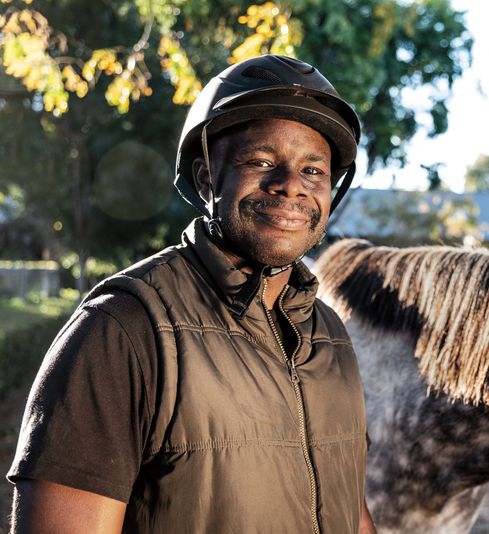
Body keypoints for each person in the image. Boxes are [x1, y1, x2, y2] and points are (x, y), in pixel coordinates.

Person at [7, 54, 376, 533]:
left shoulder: (330, 334)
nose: (291, 186)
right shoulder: (123, 329)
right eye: (261, 161)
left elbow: (350, 508)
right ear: (206, 180)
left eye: (313, 171)